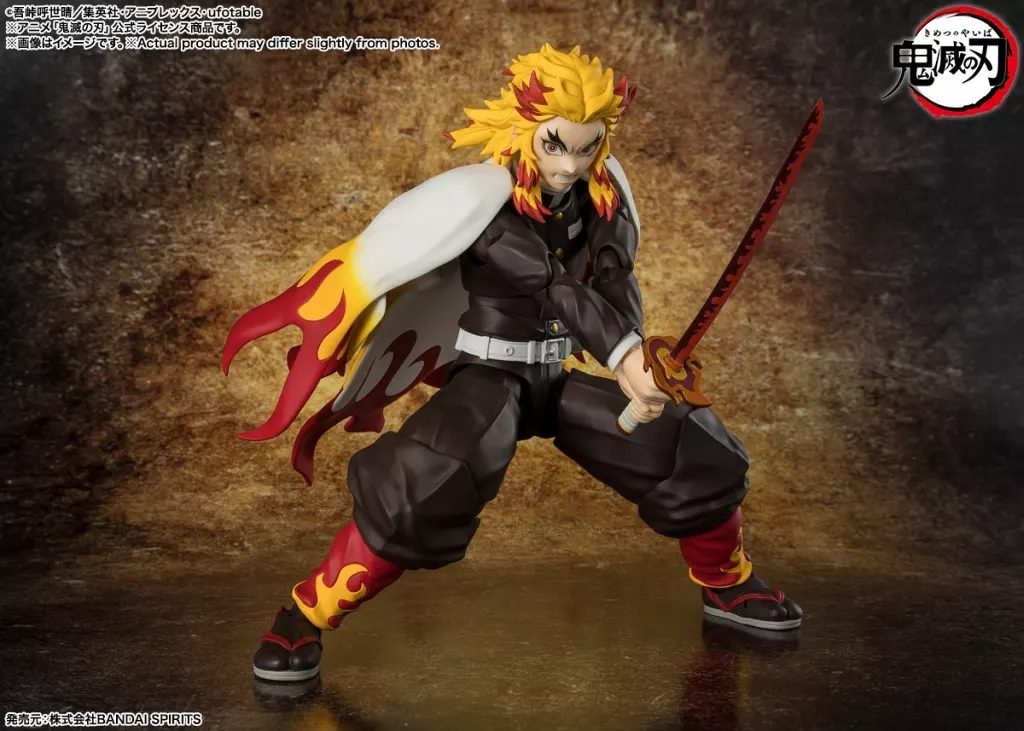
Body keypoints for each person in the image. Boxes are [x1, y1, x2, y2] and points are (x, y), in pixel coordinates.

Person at [225, 44, 802, 683]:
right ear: (524, 132)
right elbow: (552, 285)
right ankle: (305, 613)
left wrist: (641, 362)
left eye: (587, 147)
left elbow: (613, 278)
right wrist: (623, 355)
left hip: (555, 377)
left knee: (693, 445)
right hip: (490, 377)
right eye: (555, 145)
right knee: (424, 486)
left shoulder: (600, 194)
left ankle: (727, 583)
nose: (570, 164)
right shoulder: (487, 207)